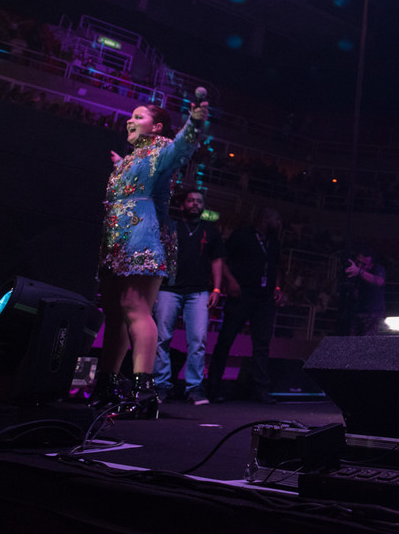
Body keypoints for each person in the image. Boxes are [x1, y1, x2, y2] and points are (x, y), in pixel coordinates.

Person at [94, 100, 209, 418]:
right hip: (114, 243)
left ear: (156, 127)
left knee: (135, 309)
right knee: (115, 317)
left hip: (141, 241)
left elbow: (183, 146)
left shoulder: (162, 151)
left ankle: (144, 391)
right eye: (129, 115)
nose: (129, 120)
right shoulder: (133, 159)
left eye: (138, 116)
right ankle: (105, 387)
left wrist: (194, 123)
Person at [152, 187, 225, 405]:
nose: (195, 204)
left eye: (199, 201)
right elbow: (157, 255)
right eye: (191, 200)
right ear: (183, 204)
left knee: (198, 340)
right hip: (168, 288)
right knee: (162, 338)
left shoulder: (210, 231)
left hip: (199, 291)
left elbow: (217, 260)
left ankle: (194, 387)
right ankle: (161, 385)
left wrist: (217, 289)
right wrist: (154, 287)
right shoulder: (171, 226)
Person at [207, 208, 282, 403]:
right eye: (277, 218)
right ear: (265, 218)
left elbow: (276, 265)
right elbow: (223, 259)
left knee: (262, 344)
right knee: (226, 339)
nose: (279, 222)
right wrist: (230, 280)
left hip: (264, 298)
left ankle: (261, 390)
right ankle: (213, 387)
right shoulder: (242, 235)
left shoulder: (274, 240)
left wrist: (277, 286)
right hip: (242, 294)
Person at [335, 249, 387, 336]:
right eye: (358, 262)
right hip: (357, 311)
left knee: (367, 342)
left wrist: (360, 272)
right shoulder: (355, 271)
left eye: (363, 264)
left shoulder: (378, 268)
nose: (359, 265)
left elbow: (379, 281)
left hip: (372, 313)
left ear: (370, 265)